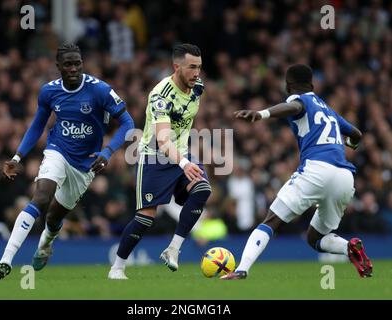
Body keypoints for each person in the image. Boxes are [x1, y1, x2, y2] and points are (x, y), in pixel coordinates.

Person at [0, 43, 135, 279]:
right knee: (42, 195)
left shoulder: (100, 90)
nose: (74, 68)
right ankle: (5, 260)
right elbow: (38, 124)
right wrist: (17, 156)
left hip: (86, 164)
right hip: (57, 150)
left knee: (54, 217)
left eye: (77, 63)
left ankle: (46, 243)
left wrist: (107, 152)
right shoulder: (49, 92)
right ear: (58, 66)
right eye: (68, 64)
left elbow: (128, 124)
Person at [221, 64, 373, 280]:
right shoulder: (328, 109)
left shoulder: (299, 99)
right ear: (312, 84)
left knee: (271, 221)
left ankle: (241, 269)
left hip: (317, 169)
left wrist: (261, 114)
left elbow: (294, 108)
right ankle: (350, 248)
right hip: (344, 177)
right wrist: (352, 144)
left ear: (288, 85)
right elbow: (356, 133)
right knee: (316, 239)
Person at [108, 43, 211, 279]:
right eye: (192, 67)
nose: (197, 73)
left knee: (202, 188)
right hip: (154, 157)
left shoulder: (198, 88)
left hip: (181, 153)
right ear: (177, 67)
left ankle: (173, 249)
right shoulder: (160, 95)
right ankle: (117, 267)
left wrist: (185, 158)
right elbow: (163, 141)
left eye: (200, 67)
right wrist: (185, 163)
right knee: (146, 218)